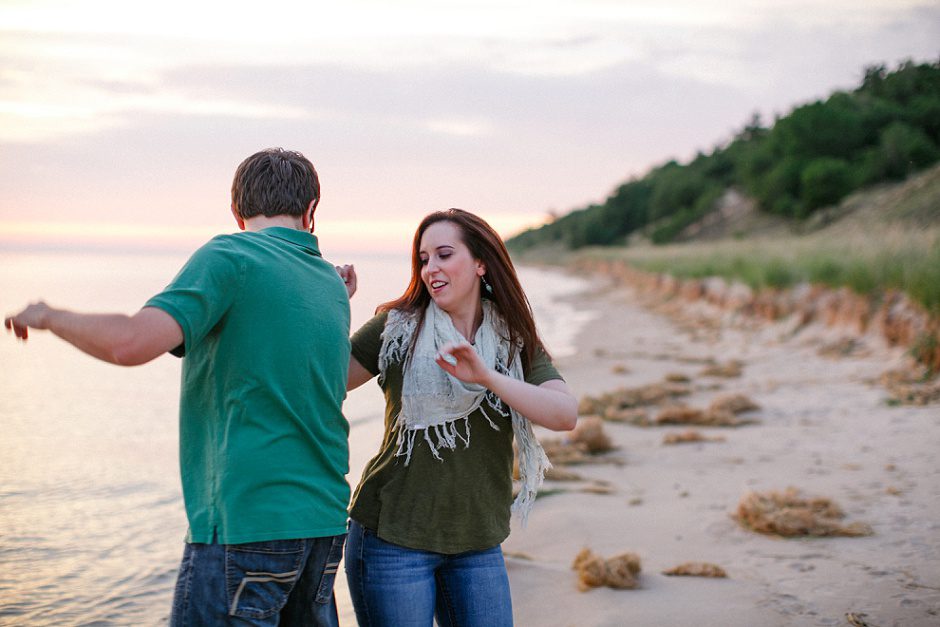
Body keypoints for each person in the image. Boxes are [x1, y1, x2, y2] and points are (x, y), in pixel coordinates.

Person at [5, 148, 354, 626]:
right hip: (324, 525)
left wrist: (48, 315)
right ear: (312, 211)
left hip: (247, 523)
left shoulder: (231, 256)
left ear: (236, 212)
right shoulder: (331, 285)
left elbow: (131, 343)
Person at [342, 208, 578, 626]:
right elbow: (322, 381)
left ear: (480, 263)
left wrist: (487, 376)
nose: (430, 268)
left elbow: (564, 414)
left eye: (444, 254)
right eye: (423, 259)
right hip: (392, 538)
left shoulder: (512, 338)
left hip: (477, 542)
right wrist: (331, 308)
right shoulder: (396, 328)